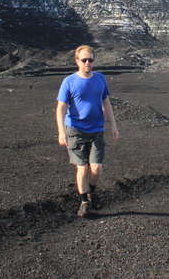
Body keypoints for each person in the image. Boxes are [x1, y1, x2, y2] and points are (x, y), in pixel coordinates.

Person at [55, 45, 120, 217]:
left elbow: (106, 102)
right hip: (75, 130)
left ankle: (91, 192)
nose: (87, 63)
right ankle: (84, 202)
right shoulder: (69, 82)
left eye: (90, 60)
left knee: (97, 168)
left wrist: (113, 125)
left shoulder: (100, 79)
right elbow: (61, 108)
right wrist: (61, 131)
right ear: (77, 61)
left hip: (97, 129)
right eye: (83, 60)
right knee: (83, 168)